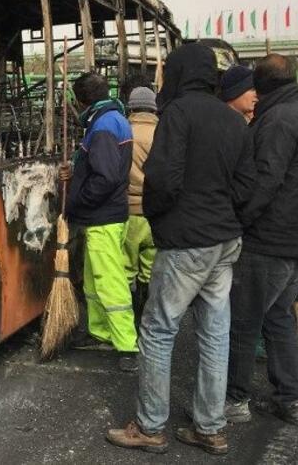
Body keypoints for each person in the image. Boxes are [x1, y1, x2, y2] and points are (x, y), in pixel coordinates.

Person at [106, 43, 250, 456]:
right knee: (215, 331)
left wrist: (161, 221)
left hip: (187, 241)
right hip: (225, 242)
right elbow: (247, 185)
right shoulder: (233, 118)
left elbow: (163, 179)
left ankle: (150, 427)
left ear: (181, 73)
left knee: (157, 329)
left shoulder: (178, 114)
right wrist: (229, 216)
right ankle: (210, 426)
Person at [226, 54, 298, 427]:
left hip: (271, 239)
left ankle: (235, 400)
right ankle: (292, 400)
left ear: (263, 84)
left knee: (244, 321)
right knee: (278, 318)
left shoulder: (276, 121)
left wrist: (240, 220)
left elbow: (265, 182)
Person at [60, 72, 137, 371]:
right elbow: (99, 168)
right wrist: (76, 170)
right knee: (94, 280)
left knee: (110, 281)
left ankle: (127, 344)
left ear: (82, 100)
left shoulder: (103, 126)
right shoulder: (112, 119)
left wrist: (78, 201)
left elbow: (104, 178)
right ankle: (101, 331)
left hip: (103, 216)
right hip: (107, 215)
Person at [124, 86, 158, 321]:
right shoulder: (164, 132)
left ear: (131, 107)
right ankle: (146, 317)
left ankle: (127, 319)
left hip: (128, 210)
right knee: (150, 269)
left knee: (126, 268)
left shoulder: (124, 131)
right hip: (155, 213)